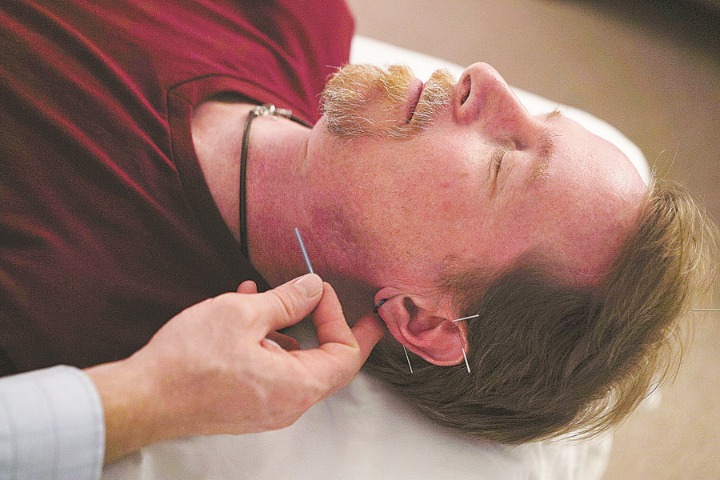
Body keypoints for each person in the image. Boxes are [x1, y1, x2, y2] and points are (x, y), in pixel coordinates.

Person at [0, 0, 717, 477]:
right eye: (537, 117)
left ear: (423, 319)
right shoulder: (298, 15)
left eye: (504, 161)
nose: (486, 77)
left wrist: (145, 398)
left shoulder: (73, 310)